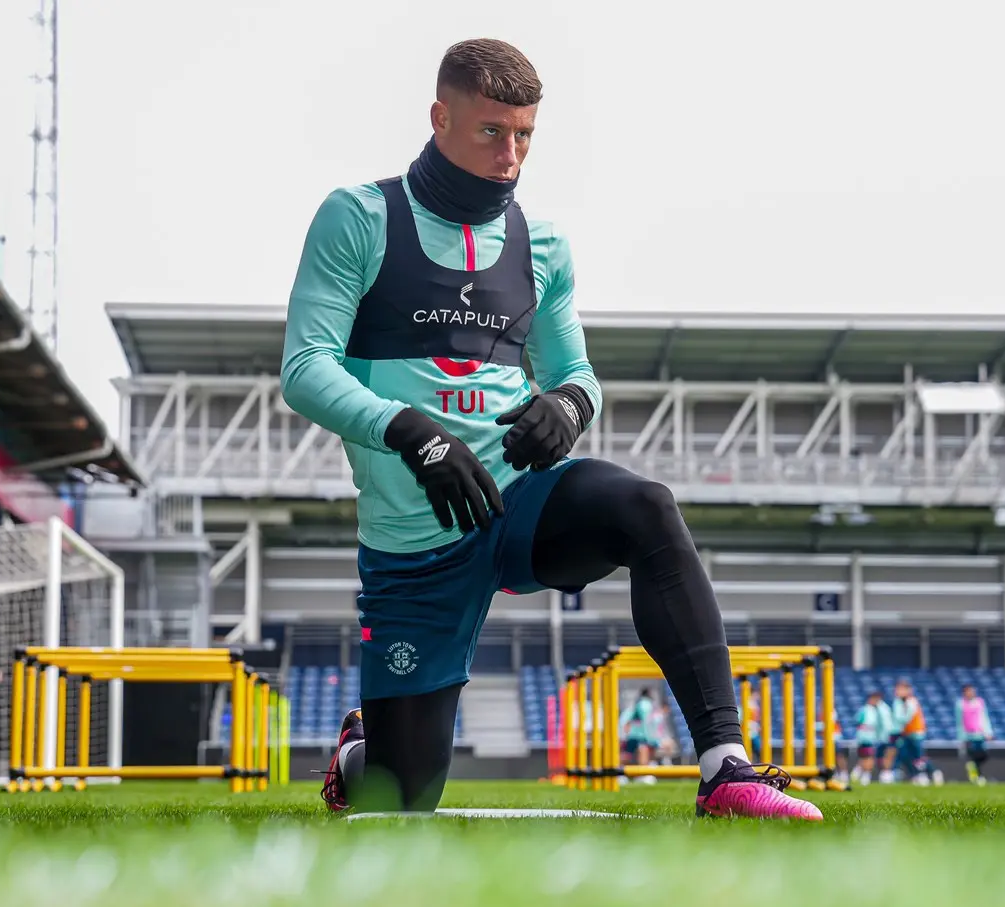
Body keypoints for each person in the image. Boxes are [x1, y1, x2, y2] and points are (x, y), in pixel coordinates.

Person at [284, 37, 820, 821]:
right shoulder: (358, 218)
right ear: (440, 117)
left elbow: (579, 375)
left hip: (519, 500)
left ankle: (723, 767)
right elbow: (305, 367)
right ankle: (362, 751)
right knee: (399, 799)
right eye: (491, 132)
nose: (511, 154)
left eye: (525, 135)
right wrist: (411, 432)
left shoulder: (544, 245)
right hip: (413, 539)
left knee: (645, 506)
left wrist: (565, 408)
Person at [891, 679, 944, 786]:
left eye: (900, 689)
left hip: (915, 732)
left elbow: (904, 718)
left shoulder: (911, 701)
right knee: (906, 755)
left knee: (918, 756)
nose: (898, 691)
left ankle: (931, 772)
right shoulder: (898, 702)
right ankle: (916, 775)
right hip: (905, 733)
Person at [955, 684, 994, 785]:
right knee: (973, 755)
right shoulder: (960, 704)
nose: (970, 693)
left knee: (982, 755)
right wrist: (961, 736)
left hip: (979, 734)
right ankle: (978, 777)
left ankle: (974, 771)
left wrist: (988, 732)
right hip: (968, 735)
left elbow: (984, 717)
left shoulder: (979, 702)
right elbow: (959, 721)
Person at [852, 691, 886, 785]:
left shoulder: (876, 710)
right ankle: (862, 773)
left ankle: (864, 774)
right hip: (864, 737)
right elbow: (857, 721)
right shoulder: (864, 710)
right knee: (865, 757)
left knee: (869, 757)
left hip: (871, 738)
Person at [620, 688, 659, 768]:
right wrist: (649, 737)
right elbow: (645, 720)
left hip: (634, 733)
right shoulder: (644, 703)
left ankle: (617, 770)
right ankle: (643, 773)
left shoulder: (640, 703)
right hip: (638, 734)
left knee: (628, 754)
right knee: (642, 750)